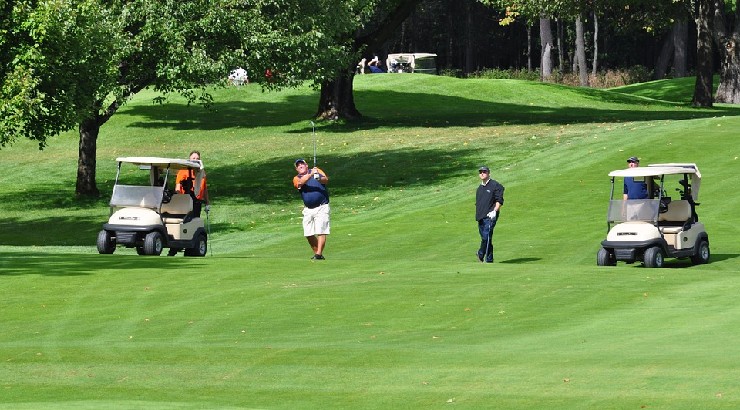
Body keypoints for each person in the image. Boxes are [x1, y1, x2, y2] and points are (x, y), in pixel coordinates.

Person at [293, 158, 330, 260]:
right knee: (308, 233)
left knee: (321, 231)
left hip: (322, 206)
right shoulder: (296, 178)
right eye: (298, 166)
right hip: (308, 209)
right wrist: (310, 175)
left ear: (306, 165)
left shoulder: (317, 170)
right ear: (297, 169)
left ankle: (318, 254)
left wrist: (318, 177)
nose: (300, 166)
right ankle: (318, 254)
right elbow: (300, 183)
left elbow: (326, 180)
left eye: (302, 164)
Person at [475, 166, 505, 263]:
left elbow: (499, 200)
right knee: (487, 238)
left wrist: (495, 211)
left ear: (488, 173)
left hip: (490, 216)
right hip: (480, 216)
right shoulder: (479, 188)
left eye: (484, 171)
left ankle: (480, 253)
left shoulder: (495, 185)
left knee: (486, 236)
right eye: (480, 172)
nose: (482, 173)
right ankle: (489, 260)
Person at [175, 150, 210, 218]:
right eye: (193, 158)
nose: (195, 160)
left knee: (196, 220)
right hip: (185, 201)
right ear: (190, 159)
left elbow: (204, 189)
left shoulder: (201, 173)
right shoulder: (183, 171)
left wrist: (207, 202)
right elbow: (177, 188)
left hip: (197, 202)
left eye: (197, 159)